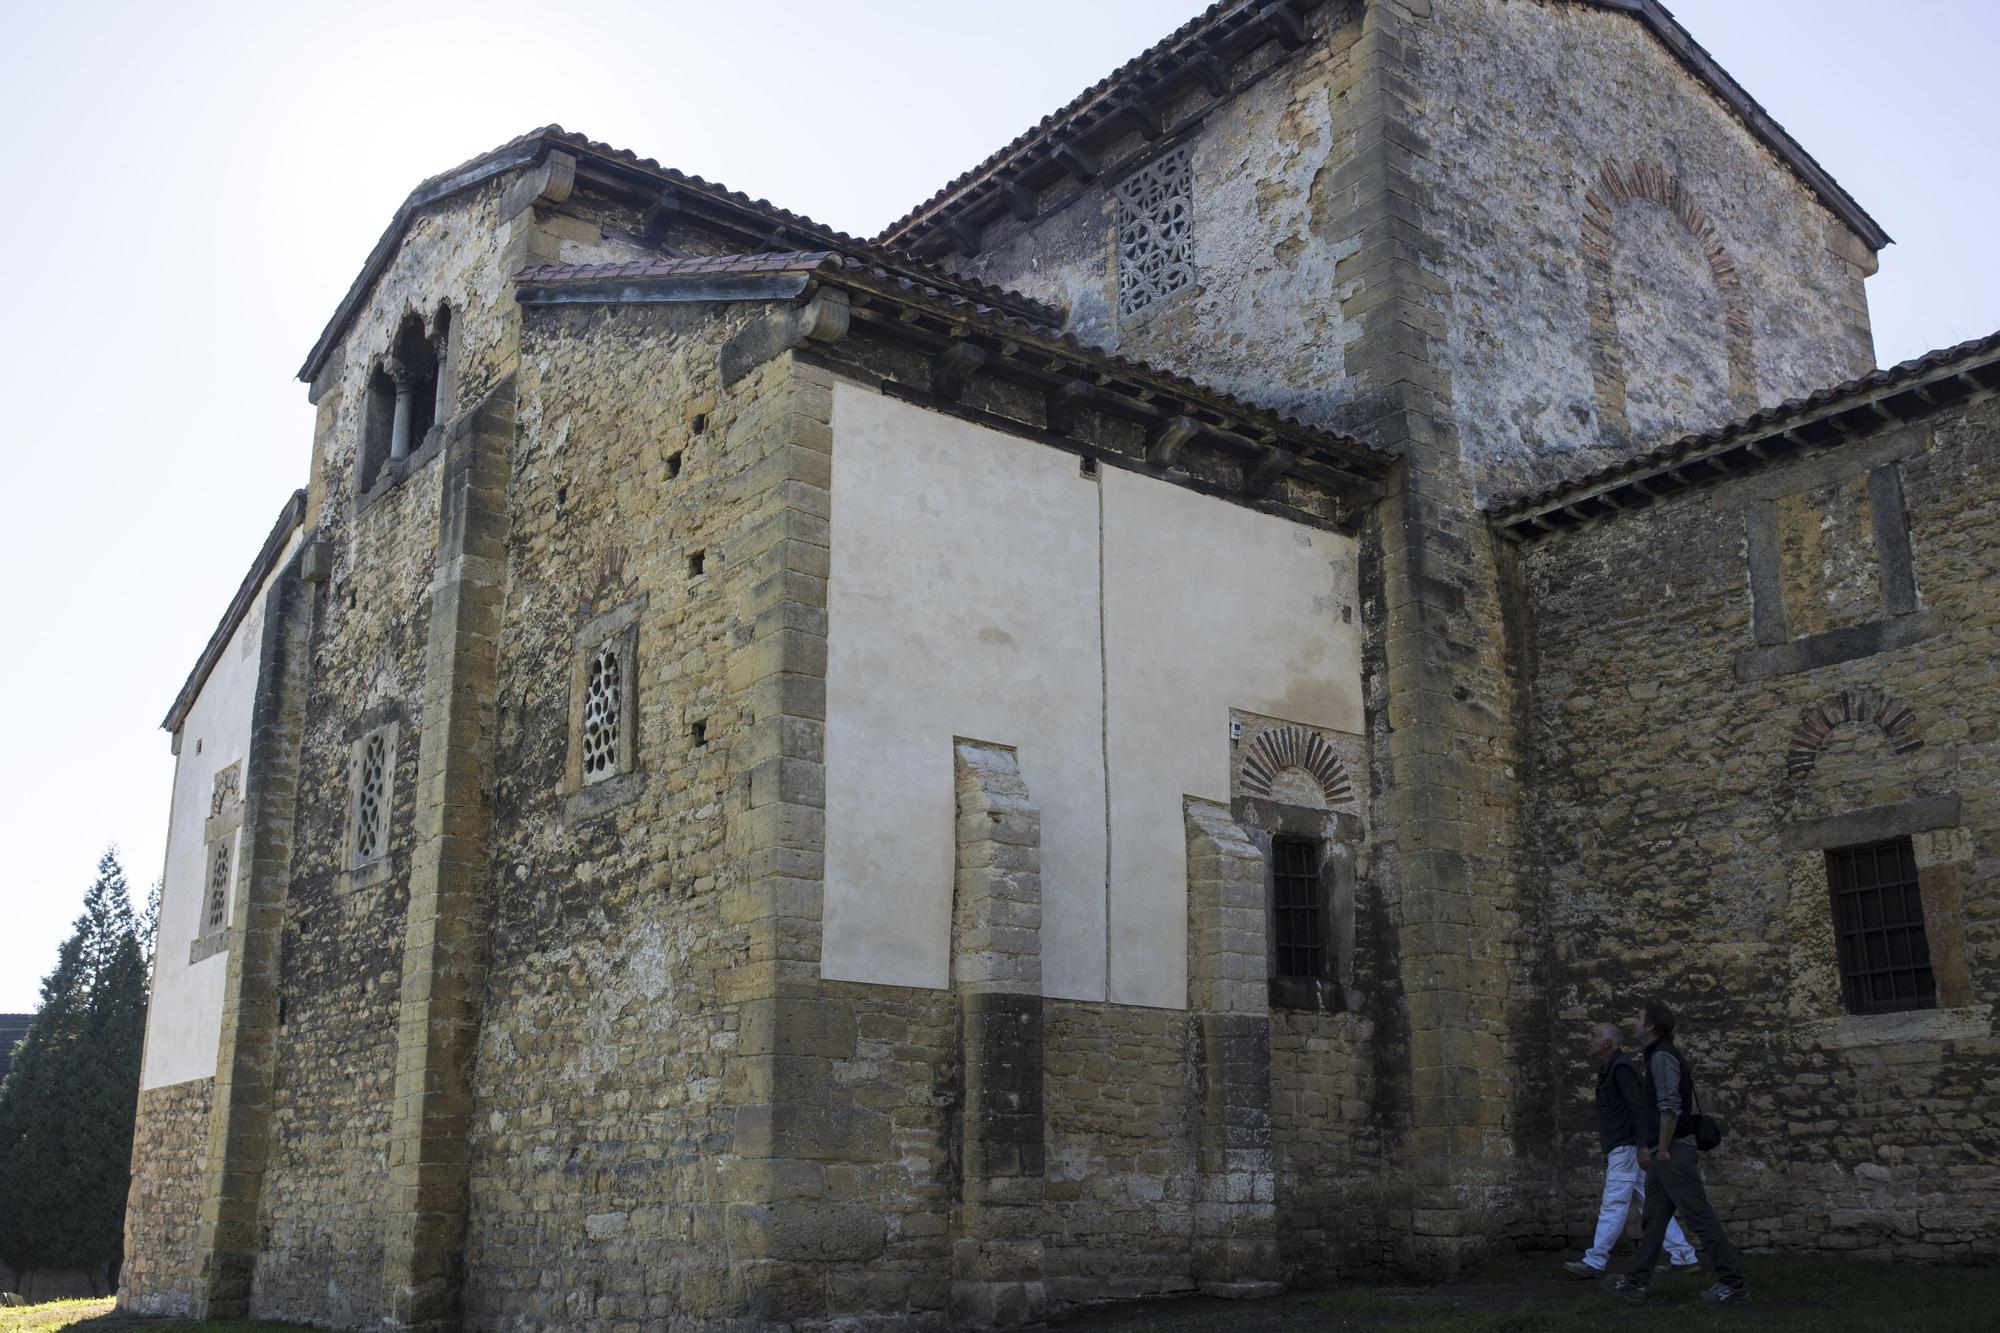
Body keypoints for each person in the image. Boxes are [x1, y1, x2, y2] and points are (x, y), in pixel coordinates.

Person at [1605, 998, 1749, 1305]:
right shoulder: (1657, 1054)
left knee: (1699, 1216)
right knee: (1654, 1219)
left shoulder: (1662, 1057)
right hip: (1663, 1152)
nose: (1634, 1022)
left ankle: (1732, 1284)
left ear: (1650, 1026)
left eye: (1638, 1017)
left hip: (1672, 1151)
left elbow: (1670, 1106)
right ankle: (1636, 1282)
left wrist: (1665, 1147)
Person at [1562, 1022, 1698, 1279]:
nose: (1587, 1039)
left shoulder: (1621, 1068)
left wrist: (1643, 1146)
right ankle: (1683, 1255)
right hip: (1624, 1146)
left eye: (1593, 1035)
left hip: (1626, 1147)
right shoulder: (1612, 1068)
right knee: (1650, 1203)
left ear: (1607, 1043)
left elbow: (1638, 1108)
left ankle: (1594, 1261)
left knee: (1613, 1203)